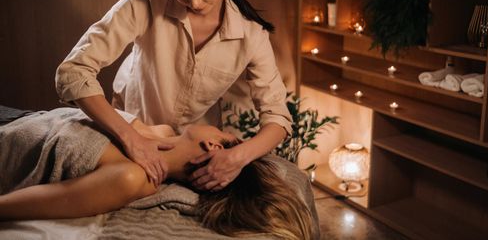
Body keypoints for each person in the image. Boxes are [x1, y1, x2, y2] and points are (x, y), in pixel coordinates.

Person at [55, 0, 292, 191]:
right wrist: (132, 139)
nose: (194, 2)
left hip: (192, 159)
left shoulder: (252, 35)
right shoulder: (147, 0)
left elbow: (277, 118)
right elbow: (73, 72)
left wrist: (238, 157)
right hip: (130, 142)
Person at [0, 108, 313, 240]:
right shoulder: (156, 131)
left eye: (223, 130)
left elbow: (18, 204)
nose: (218, 124)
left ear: (213, 144)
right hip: (20, 116)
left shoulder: (132, 178)